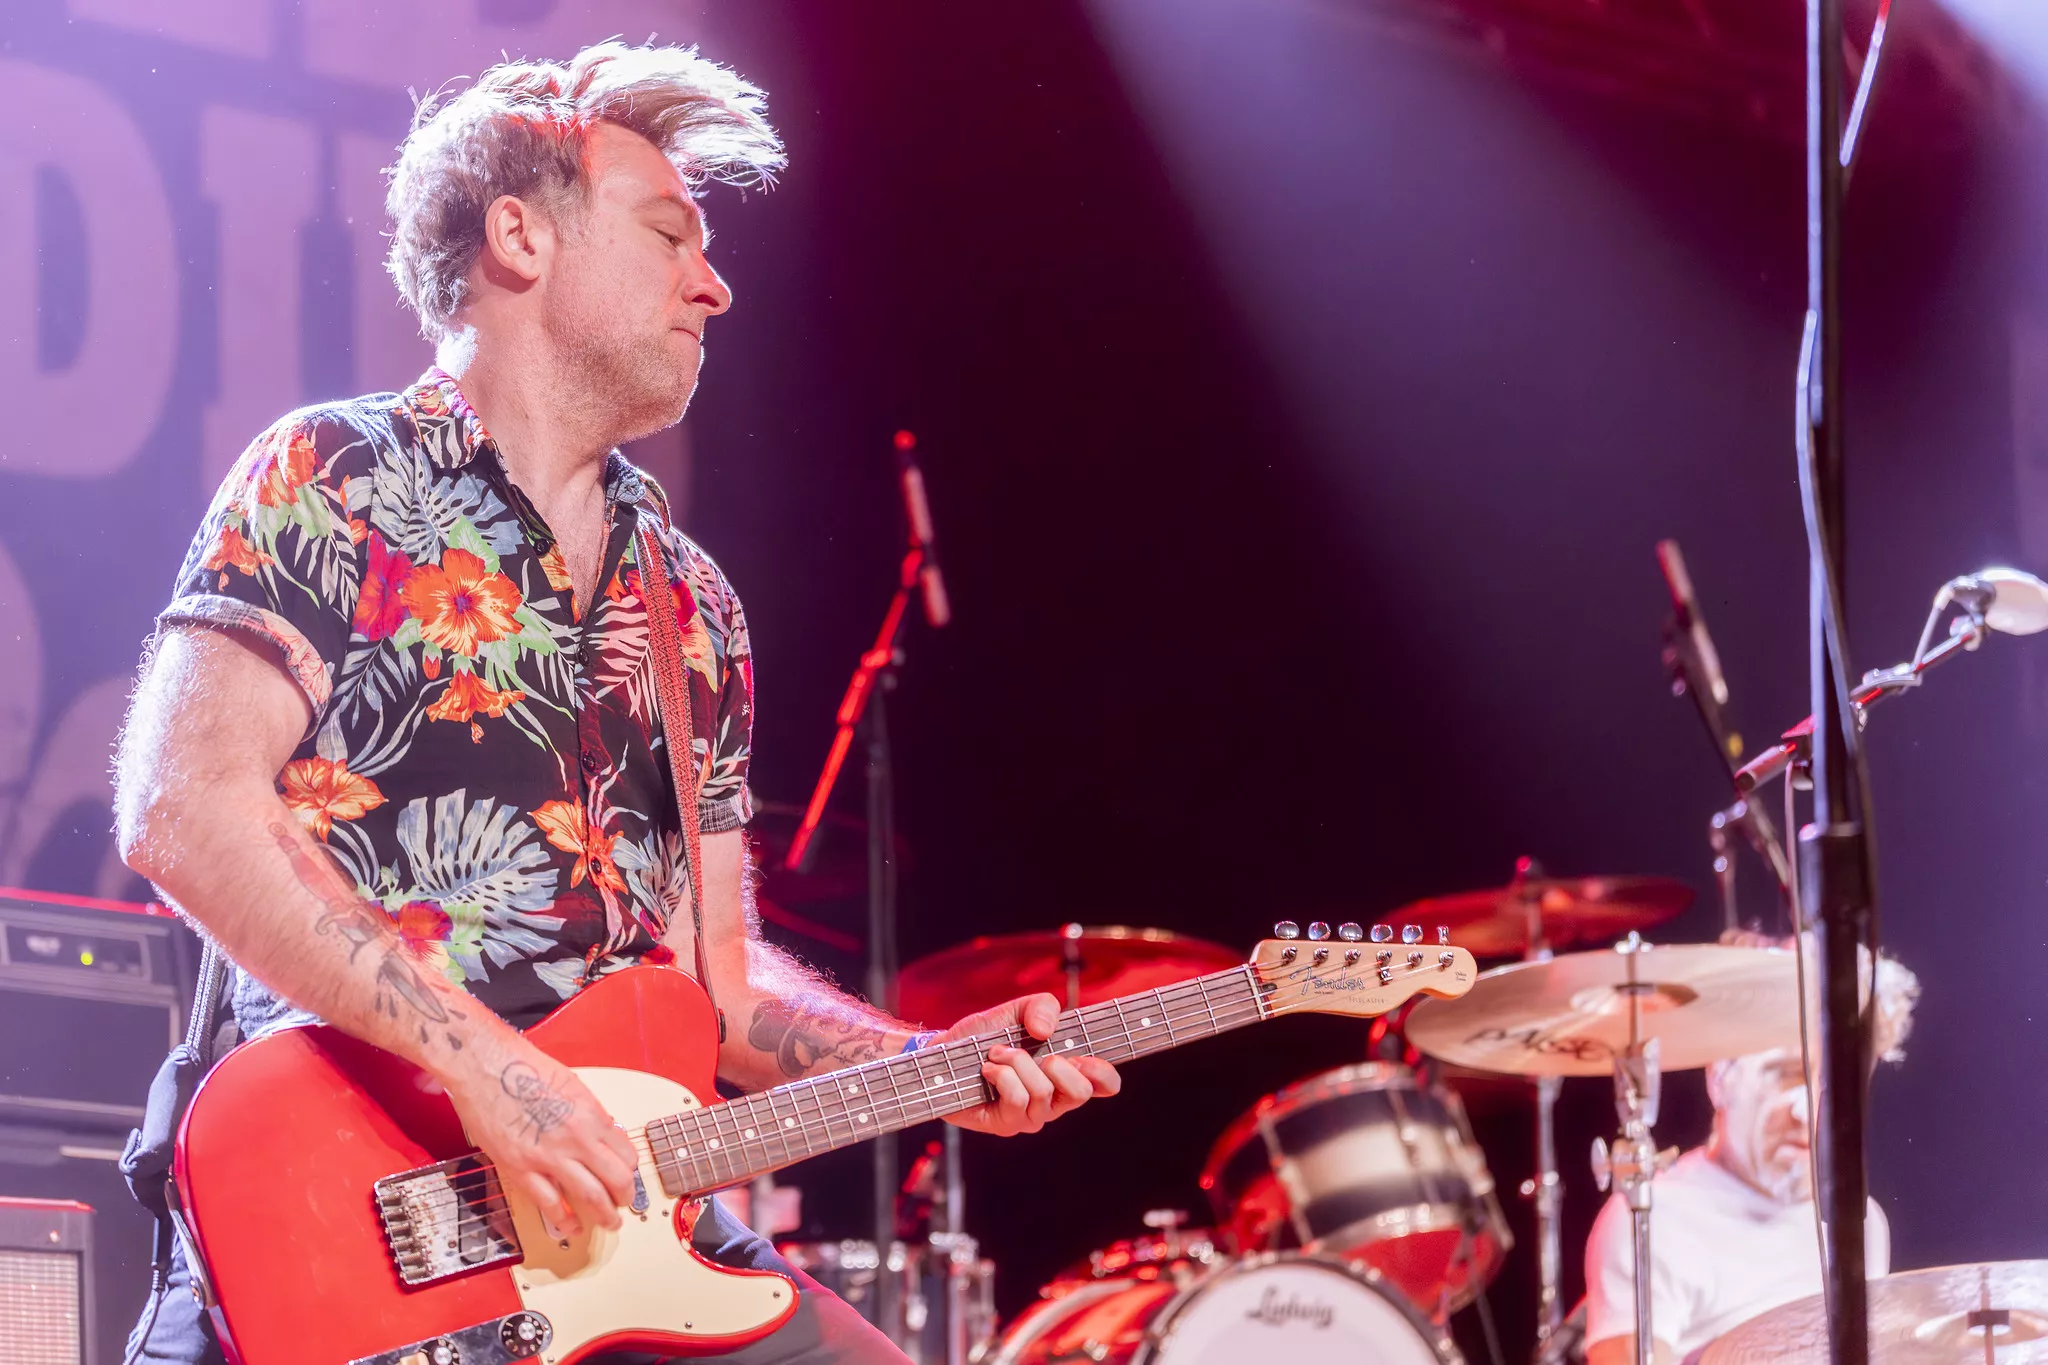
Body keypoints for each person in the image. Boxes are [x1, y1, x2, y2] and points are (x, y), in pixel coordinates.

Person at [112, 40, 1120, 1365]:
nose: (714, 284)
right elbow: (185, 811)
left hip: (639, 1231)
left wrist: (925, 1062)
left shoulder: (691, 600)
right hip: (379, 1217)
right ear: (519, 237)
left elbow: (721, 985)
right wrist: (497, 1074)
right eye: (667, 237)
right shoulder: (332, 475)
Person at [1581, 934, 1920, 1364]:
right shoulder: (1652, 1222)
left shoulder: (1861, 1224)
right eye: (1784, 1075)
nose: (1806, 1108)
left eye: (1826, 1082)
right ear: (1720, 1077)